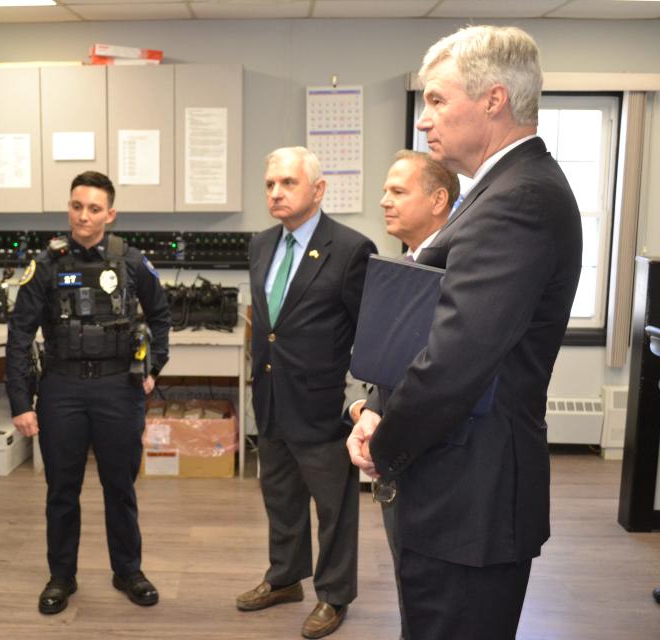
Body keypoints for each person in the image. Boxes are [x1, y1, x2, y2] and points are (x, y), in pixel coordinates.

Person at [346, 25, 583, 640]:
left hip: (470, 498)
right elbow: (425, 323)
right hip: (455, 484)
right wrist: (375, 407)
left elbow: (455, 360)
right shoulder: (497, 191)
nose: (425, 120)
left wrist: (384, 445)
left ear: (494, 101)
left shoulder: (521, 199)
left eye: (438, 101)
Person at [5, 170, 170, 615]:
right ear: (70, 209)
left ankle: (128, 571)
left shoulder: (132, 262)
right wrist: (21, 401)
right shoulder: (46, 264)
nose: (84, 215)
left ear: (110, 214)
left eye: (94, 208)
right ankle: (61, 576)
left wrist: (152, 367)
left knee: (120, 486)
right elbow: (19, 334)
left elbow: (161, 317)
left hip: (119, 387)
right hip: (62, 388)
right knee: (62, 489)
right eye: (77, 206)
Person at [237, 146, 375, 639]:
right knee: (280, 497)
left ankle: (334, 595)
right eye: (270, 184)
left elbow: (369, 334)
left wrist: (362, 401)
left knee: (333, 507)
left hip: (322, 404)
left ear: (317, 190)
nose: (275, 192)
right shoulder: (260, 244)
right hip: (271, 399)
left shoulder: (353, 249)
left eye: (287, 183)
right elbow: (269, 327)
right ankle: (285, 578)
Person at [349, 149, 459, 640]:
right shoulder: (407, 265)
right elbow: (398, 364)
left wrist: (385, 434)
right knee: (412, 590)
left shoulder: (459, 270)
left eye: (397, 191)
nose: (384, 201)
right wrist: (370, 409)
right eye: (385, 191)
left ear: (439, 200)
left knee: (438, 600)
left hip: (440, 469)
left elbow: (442, 374)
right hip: (398, 458)